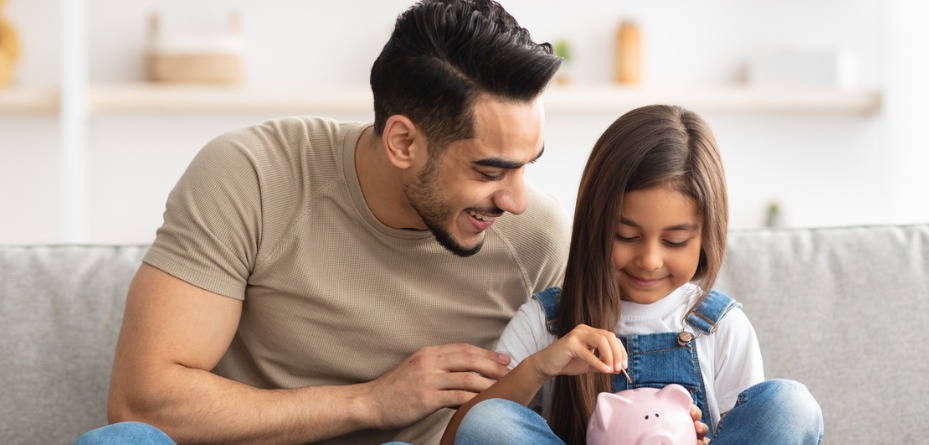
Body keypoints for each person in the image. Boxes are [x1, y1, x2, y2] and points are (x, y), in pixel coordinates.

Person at [75, 1, 568, 444]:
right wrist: (370, 401)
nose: (516, 200)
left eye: (527, 164)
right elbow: (142, 401)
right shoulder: (253, 175)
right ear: (402, 142)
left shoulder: (538, 239)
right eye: (489, 170)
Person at [441, 104, 824, 445]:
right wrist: (541, 366)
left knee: (789, 406)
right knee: (489, 421)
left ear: (705, 238)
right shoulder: (547, 322)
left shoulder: (720, 326)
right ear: (596, 225)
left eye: (675, 241)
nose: (649, 260)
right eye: (625, 236)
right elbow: (465, 434)